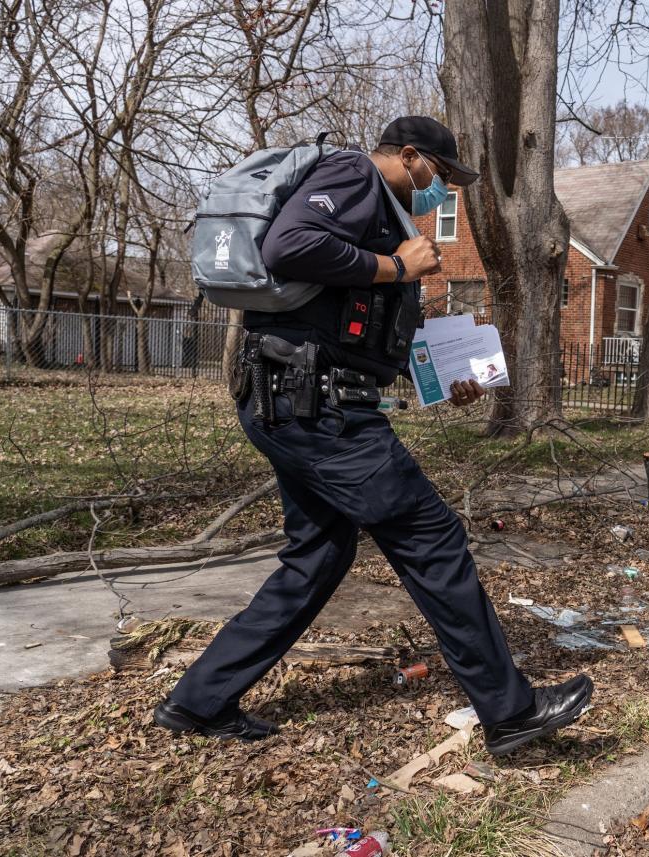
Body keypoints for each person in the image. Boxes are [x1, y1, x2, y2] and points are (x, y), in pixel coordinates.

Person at [153, 116, 592, 755]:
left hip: (298, 402)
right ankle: (510, 710)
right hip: (318, 409)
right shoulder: (355, 175)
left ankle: (198, 702)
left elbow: (357, 329)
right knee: (431, 538)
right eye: (439, 176)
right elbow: (288, 247)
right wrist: (392, 265)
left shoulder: (380, 215)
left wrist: (442, 376)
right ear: (409, 158)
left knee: (318, 557)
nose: (440, 191)